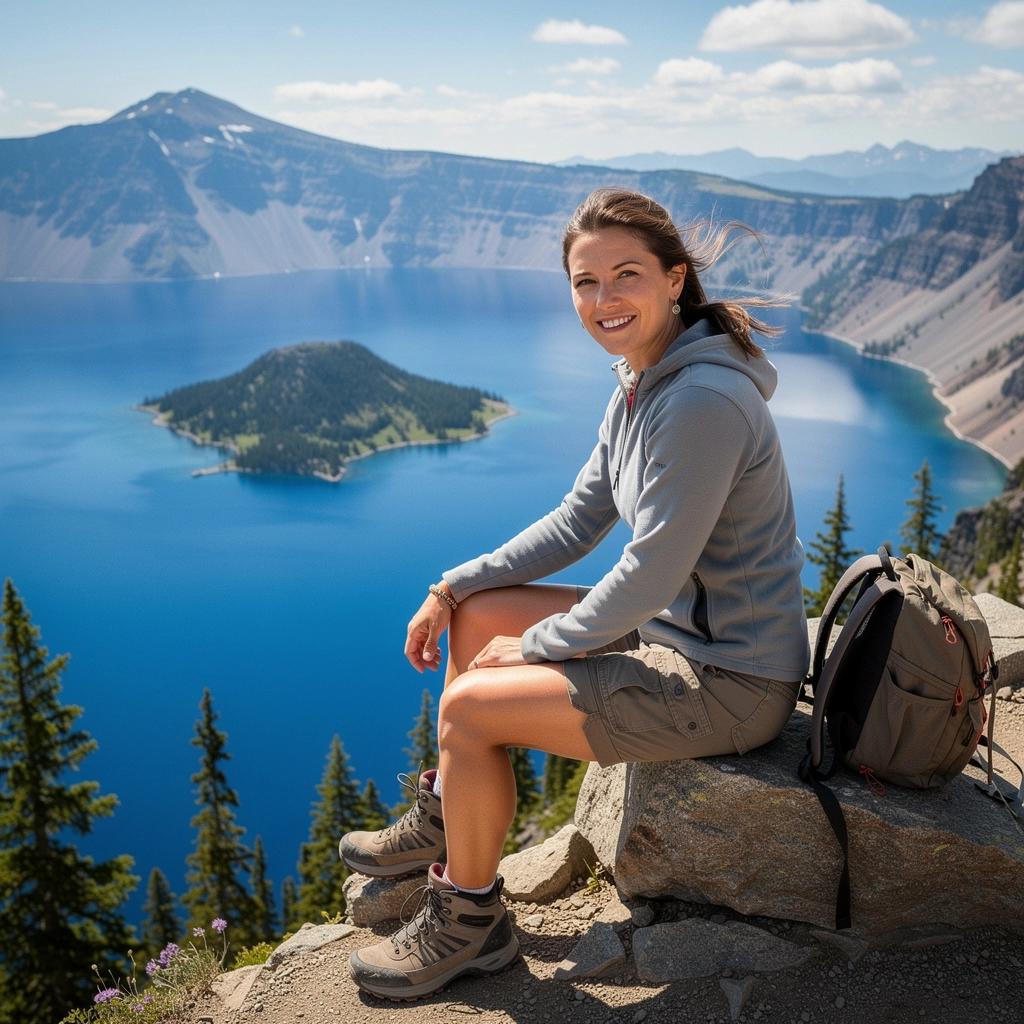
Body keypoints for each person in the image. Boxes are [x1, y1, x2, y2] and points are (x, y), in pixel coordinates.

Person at [340, 187, 810, 1001]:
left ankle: (472, 919)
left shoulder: (698, 400)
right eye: (584, 282)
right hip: (678, 639)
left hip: (731, 683)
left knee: (469, 709)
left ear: (673, 279)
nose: (603, 300)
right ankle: (456, 813)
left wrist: (541, 644)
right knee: (481, 614)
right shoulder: (642, 378)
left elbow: (653, 572)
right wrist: (450, 586)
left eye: (624, 275)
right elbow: (576, 522)